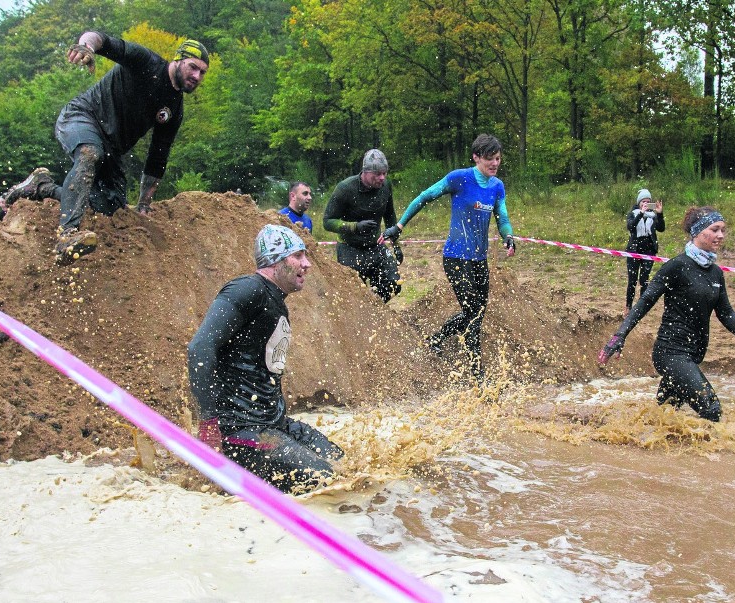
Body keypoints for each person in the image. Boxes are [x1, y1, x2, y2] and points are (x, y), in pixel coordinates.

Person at [0, 34, 210, 265]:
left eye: (202, 73)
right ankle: (67, 235)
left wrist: (144, 204)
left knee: (109, 208)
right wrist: (87, 46)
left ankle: (41, 186)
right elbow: (104, 41)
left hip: (112, 149)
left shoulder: (174, 110)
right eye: (193, 67)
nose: (196, 76)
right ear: (178, 60)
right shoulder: (146, 61)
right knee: (90, 153)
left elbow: (157, 158)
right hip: (82, 117)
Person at [188, 224, 344, 494]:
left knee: (342, 464)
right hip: (240, 430)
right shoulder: (247, 289)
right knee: (324, 480)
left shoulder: (275, 300)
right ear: (275, 261)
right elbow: (200, 348)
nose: (307, 264)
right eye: (298, 256)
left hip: (273, 424)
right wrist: (209, 423)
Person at [598, 206, 735, 422]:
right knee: (711, 409)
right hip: (671, 354)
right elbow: (645, 302)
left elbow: (725, 313)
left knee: (665, 417)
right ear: (697, 232)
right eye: (715, 229)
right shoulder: (676, 266)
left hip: (692, 355)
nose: (721, 235)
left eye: (723, 230)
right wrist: (620, 335)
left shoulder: (715, 273)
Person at [380, 134, 516, 381]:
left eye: (497, 158)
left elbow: (502, 217)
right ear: (476, 157)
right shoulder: (459, 178)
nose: (494, 164)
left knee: (477, 312)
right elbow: (424, 197)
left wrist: (508, 236)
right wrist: (398, 226)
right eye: (489, 159)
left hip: (478, 260)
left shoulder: (497, 186)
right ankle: (477, 374)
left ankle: (436, 340)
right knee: (473, 311)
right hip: (455, 258)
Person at [323, 149, 403, 303]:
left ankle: (376, 311)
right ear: (365, 172)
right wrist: (355, 227)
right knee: (353, 295)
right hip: (349, 248)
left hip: (375, 246)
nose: (382, 178)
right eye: (378, 174)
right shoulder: (345, 188)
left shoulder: (386, 186)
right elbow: (328, 221)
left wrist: (396, 244)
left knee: (393, 284)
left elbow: (390, 215)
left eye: (385, 173)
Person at [624, 188, 665, 316]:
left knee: (644, 279)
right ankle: (628, 306)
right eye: (643, 202)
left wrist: (659, 213)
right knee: (632, 280)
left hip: (649, 250)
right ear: (639, 203)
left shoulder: (653, 215)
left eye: (648, 201)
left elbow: (661, 228)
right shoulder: (633, 214)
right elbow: (631, 227)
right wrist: (641, 213)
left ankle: (641, 307)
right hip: (634, 250)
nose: (646, 204)